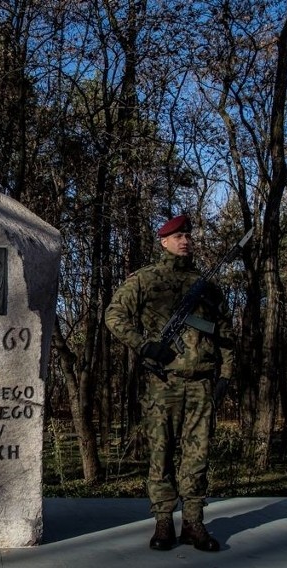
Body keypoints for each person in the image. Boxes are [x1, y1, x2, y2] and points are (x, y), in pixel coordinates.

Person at [105, 214, 234, 553]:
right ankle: (164, 521)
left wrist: (227, 375)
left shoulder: (206, 287)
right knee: (160, 453)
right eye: (177, 236)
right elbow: (113, 316)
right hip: (163, 384)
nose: (185, 240)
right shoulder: (145, 280)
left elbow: (226, 335)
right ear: (163, 241)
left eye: (188, 235)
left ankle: (193, 522)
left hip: (202, 384)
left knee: (198, 456)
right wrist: (144, 345)